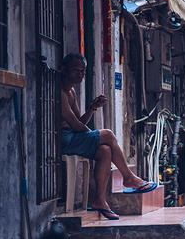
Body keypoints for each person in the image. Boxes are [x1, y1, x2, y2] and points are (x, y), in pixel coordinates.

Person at [60, 53, 155, 221]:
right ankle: (129, 178)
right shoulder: (59, 91)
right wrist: (93, 134)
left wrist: (92, 108)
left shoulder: (71, 92)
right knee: (108, 135)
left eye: (83, 71)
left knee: (105, 151)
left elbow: (79, 121)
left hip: (73, 138)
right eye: (76, 70)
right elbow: (75, 126)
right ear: (64, 70)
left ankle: (100, 201)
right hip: (63, 140)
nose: (80, 75)